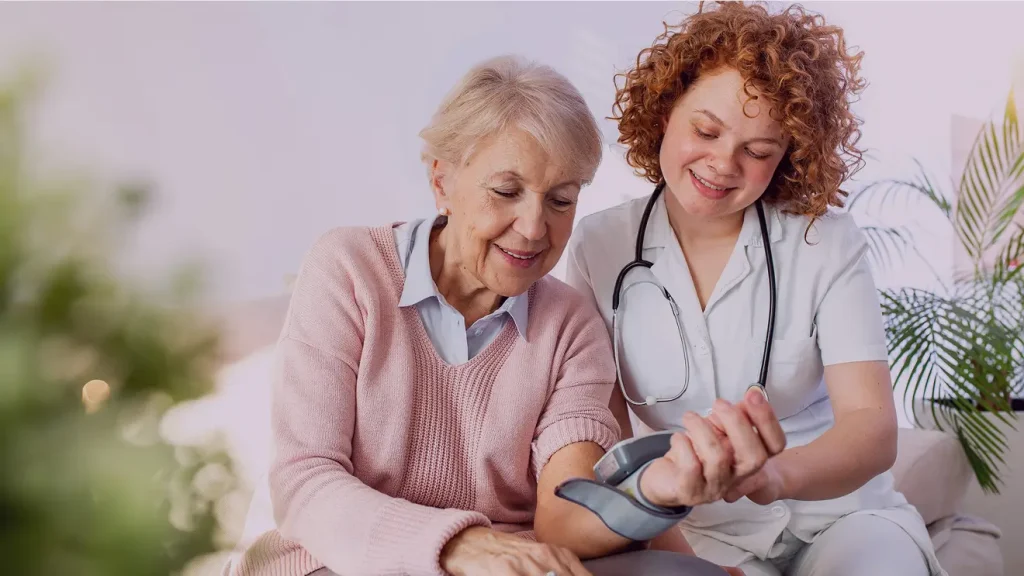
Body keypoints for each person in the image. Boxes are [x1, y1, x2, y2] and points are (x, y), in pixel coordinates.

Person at [226, 54, 786, 576]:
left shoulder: (570, 326)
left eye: (560, 200)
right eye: (506, 191)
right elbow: (304, 483)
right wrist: (458, 545)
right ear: (442, 180)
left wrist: (660, 492)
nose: (533, 228)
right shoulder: (350, 270)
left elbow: (568, 506)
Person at [565, 3, 946, 576]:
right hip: (697, 532)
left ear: (787, 156)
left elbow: (871, 427)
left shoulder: (825, 241)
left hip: (841, 516)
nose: (723, 163)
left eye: (759, 151)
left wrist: (772, 476)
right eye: (706, 130)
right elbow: (610, 449)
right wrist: (680, 550)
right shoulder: (600, 245)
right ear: (666, 107)